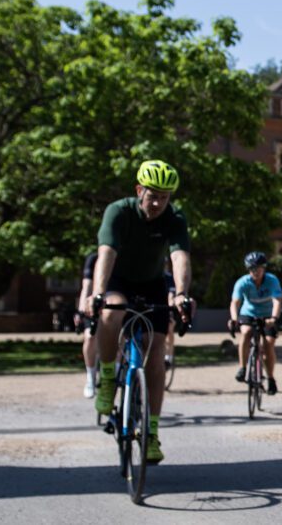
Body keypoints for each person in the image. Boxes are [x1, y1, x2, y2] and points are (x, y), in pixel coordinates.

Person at [88, 159, 192, 465]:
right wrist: (97, 292)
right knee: (111, 313)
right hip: (118, 280)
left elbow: (180, 257)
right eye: (152, 195)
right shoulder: (118, 211)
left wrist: (183, 294)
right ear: (139, 190)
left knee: (156, 352)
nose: (158, 202)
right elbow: (105, 254)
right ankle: (108, 377)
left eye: (164, 196)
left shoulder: (174, 217)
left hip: (152, 285)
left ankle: (152, 433)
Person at [229, 251, 282, 395]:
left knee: (268, 344)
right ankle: (243, 368)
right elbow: (235, 302)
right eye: (252, 269)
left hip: (267, 315)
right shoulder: (242, 282)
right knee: (246, 332)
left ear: (264, 268)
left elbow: (277, 300)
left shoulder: (272, 280)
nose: (255, 272)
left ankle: (271, 378)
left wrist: (274, 318)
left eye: (258, 268)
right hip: (249, 313)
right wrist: (234, 319)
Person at [76, 251, 100, 398]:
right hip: (95, 303)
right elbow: (86, 286)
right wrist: (80, 311)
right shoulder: (93, 258)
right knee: (90, 337)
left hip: (117, 302)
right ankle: (91, 377)